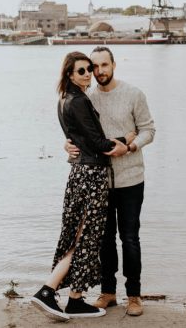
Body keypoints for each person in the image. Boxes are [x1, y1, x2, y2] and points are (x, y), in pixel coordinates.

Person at [31, 51, 130, 322]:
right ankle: (48, 290)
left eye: (89, 69)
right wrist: (124, 142)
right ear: (70, 75)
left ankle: (75, 299)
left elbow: (77, 137)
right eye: (82, 71)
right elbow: (98, 142)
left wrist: (72, 146)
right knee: (85, 237)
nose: (89, 74)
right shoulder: (78, 100)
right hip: (91, 175)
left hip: (78, 173)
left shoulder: (65, 99)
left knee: (79, 236)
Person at [65, 46, 155, 317]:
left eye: (105, 65)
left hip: (130, 179)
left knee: (130, 238)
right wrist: (68, 145)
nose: (99, 71)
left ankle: (134, 296)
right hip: (99, 182)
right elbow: (80, 134)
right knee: (104, 240)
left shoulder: (133, 94)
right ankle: (108, 293)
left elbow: (149, 130)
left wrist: (130, 146)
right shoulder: (86, 97)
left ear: (114, 65)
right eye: (94, 66)